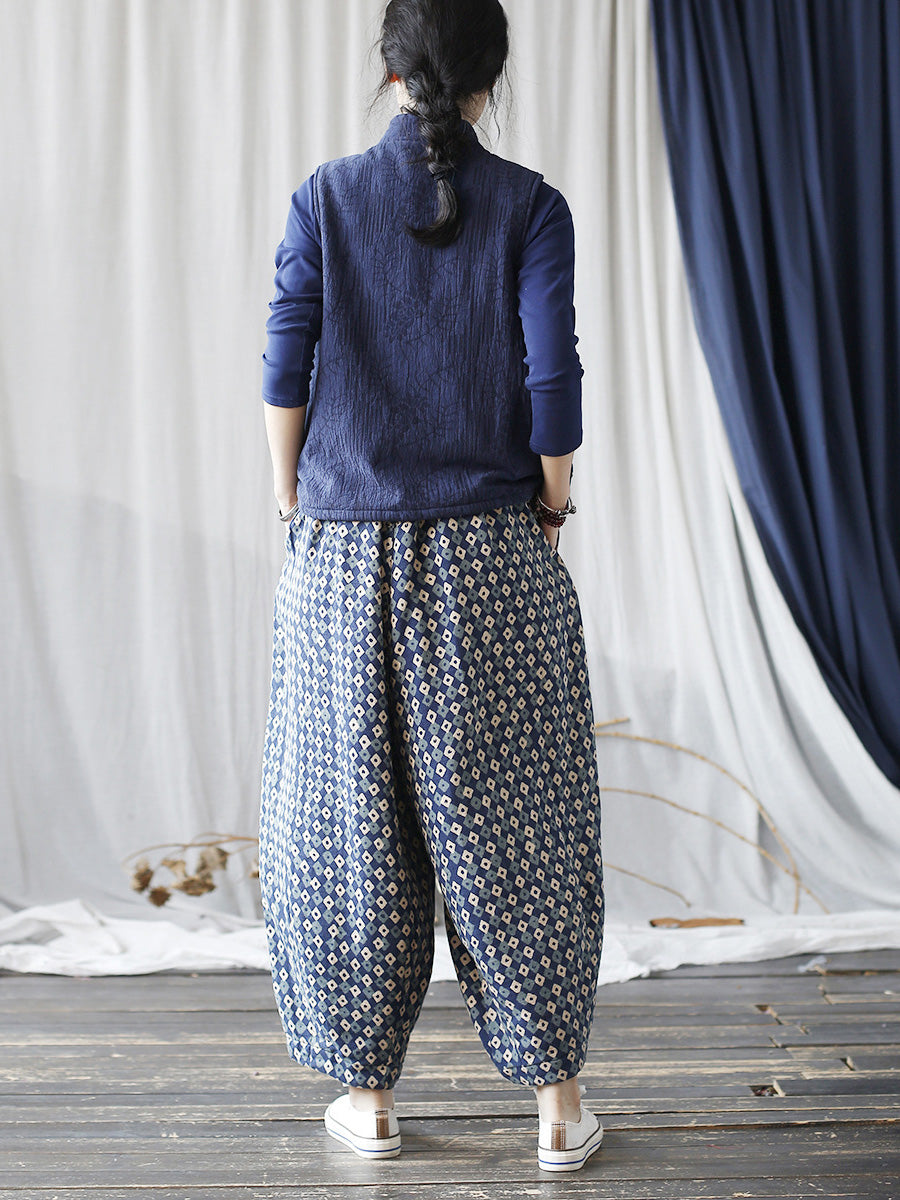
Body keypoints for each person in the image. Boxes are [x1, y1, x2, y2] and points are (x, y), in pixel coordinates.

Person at [257, 0, 605, 1174]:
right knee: (522, 827)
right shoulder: (532, 207)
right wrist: (550, 506)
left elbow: (285, 363)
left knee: (353, 833)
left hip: (341, 561)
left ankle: (369, 1100)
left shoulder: (323, 199)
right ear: (490, 76)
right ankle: (557, 1107)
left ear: (390, 69)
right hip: (491, 561)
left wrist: (293, 498)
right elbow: (551, 379)